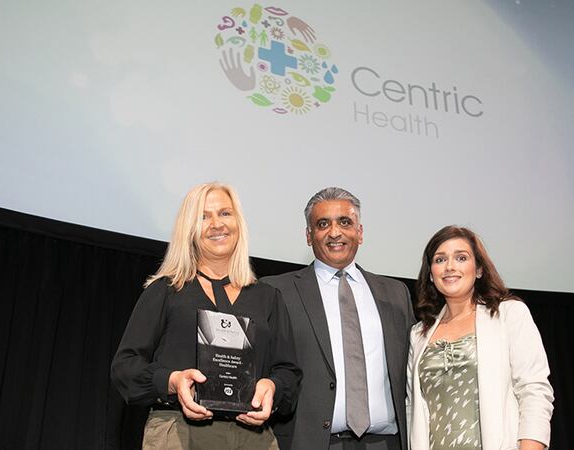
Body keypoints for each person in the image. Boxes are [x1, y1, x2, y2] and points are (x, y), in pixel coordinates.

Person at [111, 182, 301, 449]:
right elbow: (125, 366)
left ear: (238, 222)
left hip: (253, 438)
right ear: (188, 229)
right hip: (179, 433)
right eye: (203, 216)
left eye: (225, 213)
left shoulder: (268, 297)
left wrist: (273, 386)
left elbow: (288, 371)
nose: (216, 224)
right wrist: (172, 381)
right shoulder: (167, 290)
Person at [262, 187, 416, 450]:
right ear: (309, 235)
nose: (335, 232)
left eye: (345, 222)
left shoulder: (395, 293)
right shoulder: (277, 291)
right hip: (310, 444)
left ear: (360, 232)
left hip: (387, 443)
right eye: (323, 224)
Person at [406, 226, 554, 450]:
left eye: (461, 257)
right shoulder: (419, 334)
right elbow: (412, 409)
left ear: (479, 269)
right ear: (430, 274)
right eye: (440, 259)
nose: (450, 266)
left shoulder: (509, 314)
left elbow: (534, 391)